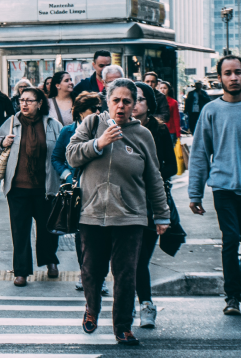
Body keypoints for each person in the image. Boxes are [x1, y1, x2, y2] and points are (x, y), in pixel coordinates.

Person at [67, 78, 169, 346]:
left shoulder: (143, 135)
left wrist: (161, 214)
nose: (121, 106)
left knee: (126, 273)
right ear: (106, 101)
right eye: (116, 100)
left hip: (130, 216)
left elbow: (154, 177)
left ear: (134, 105)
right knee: (91, 270)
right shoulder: (91, 124)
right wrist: (99, 143)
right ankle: (92, 307)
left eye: (127, 101)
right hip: (92, 212)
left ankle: (122, 326)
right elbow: (71, 155)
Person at [189, 55, 241, 316]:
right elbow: (200, 154)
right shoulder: (211, 110)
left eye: (238, 72)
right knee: (230, 240)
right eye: (228, 73)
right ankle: (232, 296)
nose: (233, 77)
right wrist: (195, 193)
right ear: (220, 77)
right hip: (223, 187)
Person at [0, 87, 63, 287]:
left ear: (40, 103)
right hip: (17, 189)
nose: (23, 104)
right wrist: (3, 143)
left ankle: (50, 261)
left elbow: (61, 151)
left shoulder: (52, 125)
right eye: (21, 100)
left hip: (46, 188)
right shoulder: (11, 123)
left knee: (48, 229)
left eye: (29, 101)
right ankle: (21, 271)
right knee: (20, 232)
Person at [50, 92, 106, 294]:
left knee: (102, 233)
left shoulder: (105, 130)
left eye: (100, 108)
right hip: (79, 191)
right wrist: (67, 176)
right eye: (94, 109)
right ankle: (85, 275)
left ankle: (99, 276)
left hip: (101, 189)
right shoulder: (68, 131)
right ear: (81, 112)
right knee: (82, 235)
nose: (99, 112)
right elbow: (56, 158)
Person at [132, 82, 178, 329]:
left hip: (150, 203)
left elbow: (172, 166)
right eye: (131, 99)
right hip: (124, 203)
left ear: (149, 104)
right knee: (125, 260)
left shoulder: (158, 131)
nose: (134, 104)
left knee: (140, 260)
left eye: (139, 99)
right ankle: (129, 303)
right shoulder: (117, 128)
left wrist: (150, 173)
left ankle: (146, 304)